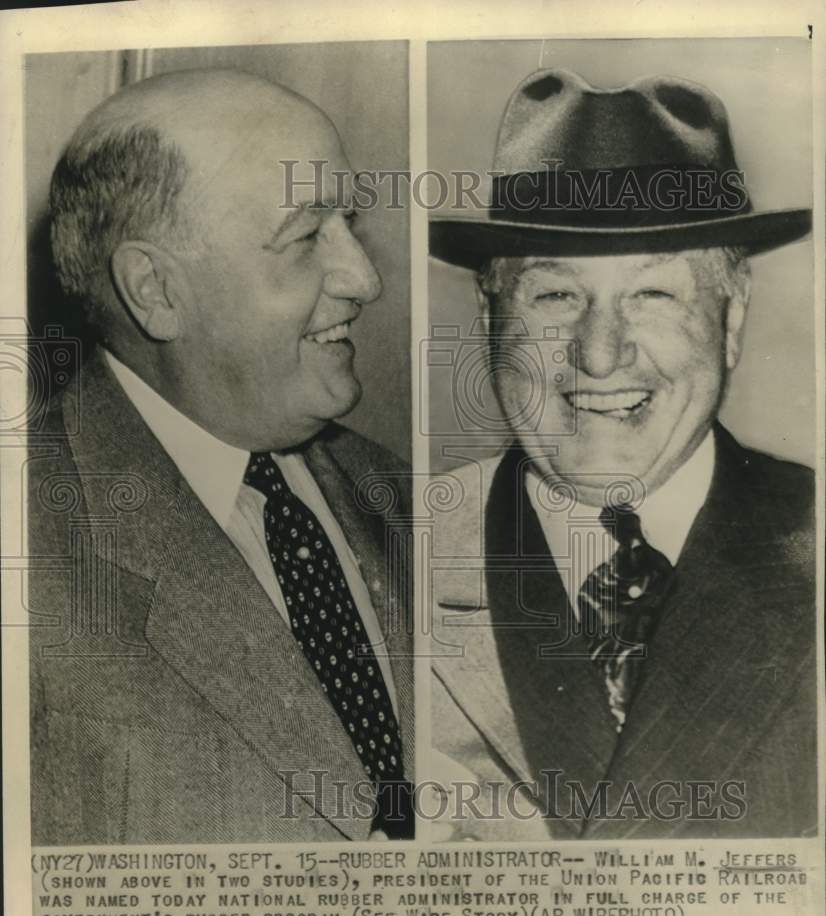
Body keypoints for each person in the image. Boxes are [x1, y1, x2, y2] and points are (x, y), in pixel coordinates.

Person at [428, 68, 816, 839]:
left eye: (654, 295)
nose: (600, 356)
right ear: (490, 315)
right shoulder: (380, 552)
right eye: (555, 295)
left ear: (732, 316)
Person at [29, 68, 414, 844]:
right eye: (306, 237)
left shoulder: (401, 492)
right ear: (156, 290)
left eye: (349, 224)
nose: (364, 280)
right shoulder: (27, 538)